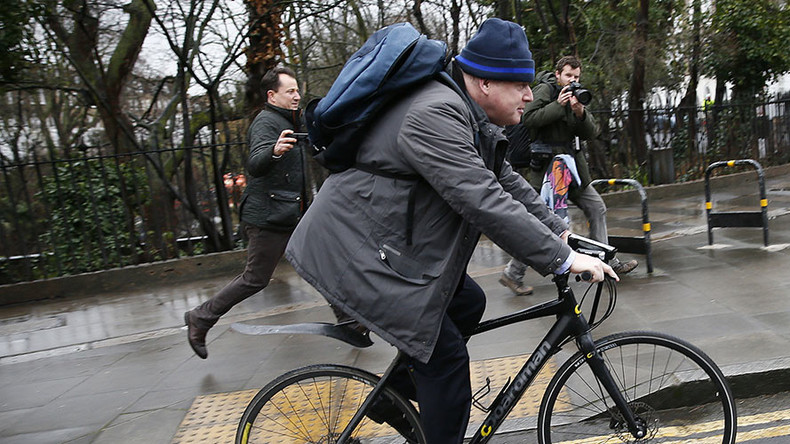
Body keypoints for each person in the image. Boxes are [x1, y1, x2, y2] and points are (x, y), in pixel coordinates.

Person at [285, 19, 617, 444]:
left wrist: (561, 234)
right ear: (482, 82)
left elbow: (505, 180)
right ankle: (426, 402)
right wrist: (561, 259)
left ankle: (396, 395)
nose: (530, 95)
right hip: (355, 252)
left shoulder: (462, 109)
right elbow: (481, 199)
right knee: (447, 366)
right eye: (519, 84)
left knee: (467, 301)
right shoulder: (435, 113)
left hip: (386, 248)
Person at [184, 67, 308, 359]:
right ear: (272, 95)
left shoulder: (294, 120)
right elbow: (254, 163)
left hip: (291, 212)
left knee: (322, 259)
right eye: (290, 91)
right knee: (255, 279)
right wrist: (274, 151)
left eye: (297, 90)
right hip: (269, 218)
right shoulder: (266, 123)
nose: (297, 96)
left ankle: (350, 321)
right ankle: (201, 317)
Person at [499, 55, 637, 296]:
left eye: (576, 77)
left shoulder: (576, 94)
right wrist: (558, 105)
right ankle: (513, 273)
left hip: (572, 168)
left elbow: (591, 132)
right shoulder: (545, 89)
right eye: (568, 76)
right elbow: (528, 118)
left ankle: (607, 261)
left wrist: (580, 112)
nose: (572, 81)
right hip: (547, 171)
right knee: (539, 222)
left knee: (597, 208)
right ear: (558, 74)